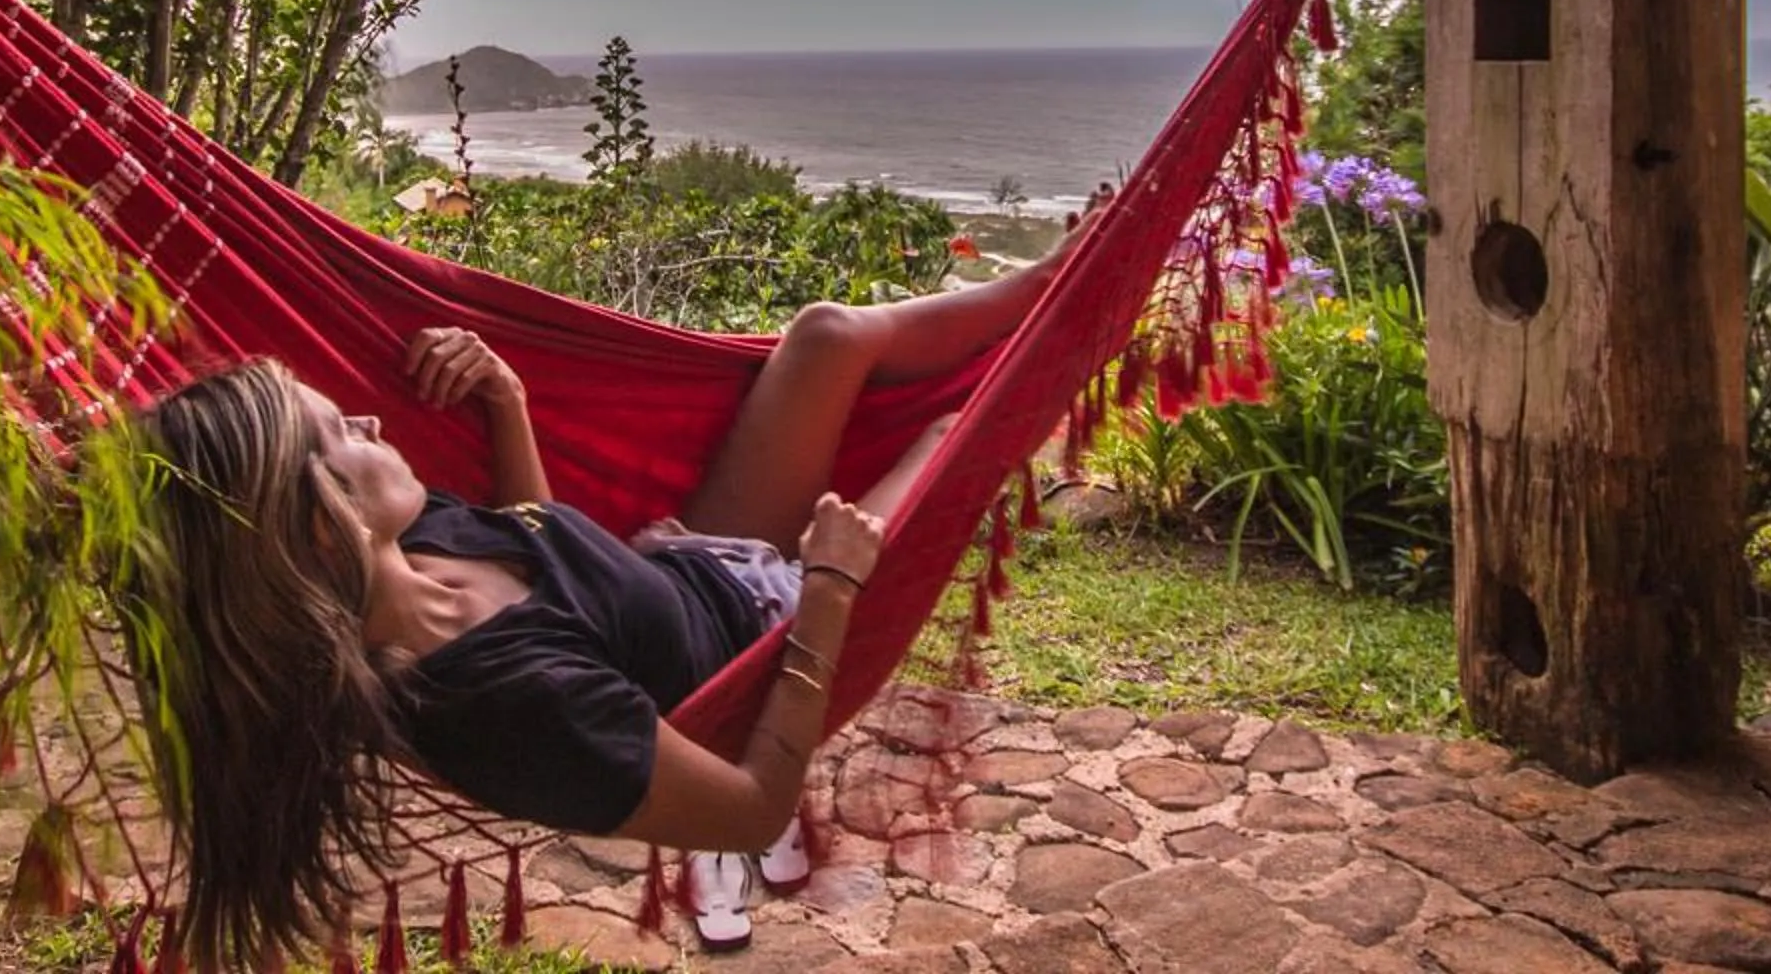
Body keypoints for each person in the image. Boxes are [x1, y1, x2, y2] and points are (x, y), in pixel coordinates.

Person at [125, 214, 1099, 971]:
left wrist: (507, 398)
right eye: (342, 434)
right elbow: (755, 811)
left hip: (693, 554)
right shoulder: (503, 705)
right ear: (311, 521)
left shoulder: (412, 543)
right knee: (954, 434)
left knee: (827, 333)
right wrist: (833, 584)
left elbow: (543, 549)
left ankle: (1062, 273)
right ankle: (1087, 301)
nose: (374, 421)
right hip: (778, 619)